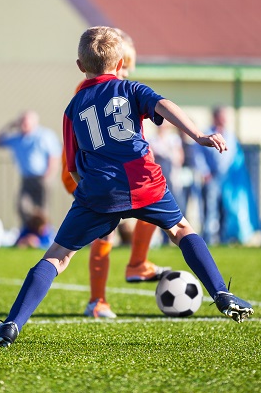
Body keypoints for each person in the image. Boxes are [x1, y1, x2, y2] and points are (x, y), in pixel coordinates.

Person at [0, 26, 254, 347]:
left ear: (81, 66)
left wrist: (94, 196)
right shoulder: (131, 88)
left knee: (58, 255)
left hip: (99, 189)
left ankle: (11, 325)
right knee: (180, 229)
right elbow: (164, 105)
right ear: (122, 61)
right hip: (144, 179)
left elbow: (71, 164)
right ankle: (221, 293)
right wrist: (198, 136)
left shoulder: (73, 107)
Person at [62, 29, 170, 319]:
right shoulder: (91, 92)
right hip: (87, 172)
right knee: (104, 233)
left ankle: (137, 263)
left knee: (152, 205)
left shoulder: (118, 89)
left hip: (105, 171)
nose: (126, 74)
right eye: (126, 66)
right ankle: (97, 300)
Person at [197, 106, 259, 244]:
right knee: (210, 208)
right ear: (216, 117)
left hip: (227, 179)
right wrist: (205, 172)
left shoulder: (230, 135)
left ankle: (222, 237)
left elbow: (233, 157)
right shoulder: (206, 133)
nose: (225, 119)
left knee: (225, 208)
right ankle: (209, 237)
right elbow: (198, 155)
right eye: (222, 116)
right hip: (212, 177)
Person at [0, 111, 62, 227]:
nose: (23, 124)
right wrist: (9, 126)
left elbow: (54, 156)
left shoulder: (45, 135)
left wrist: (49, 175)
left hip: (42, 178)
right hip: (26, 179)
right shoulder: (17, 138)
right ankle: (29, 231)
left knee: (42, 209)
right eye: (22, 122)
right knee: (22, 206)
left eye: (26, 122)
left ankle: (42, 234)